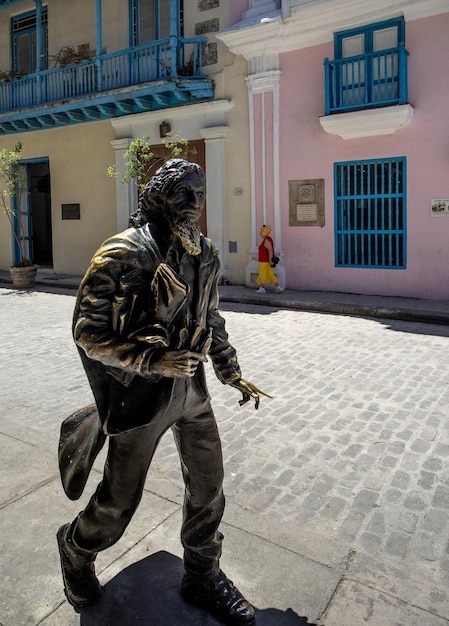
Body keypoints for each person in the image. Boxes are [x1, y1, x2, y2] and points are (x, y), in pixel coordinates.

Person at [56, 159, 270, 626]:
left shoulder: (206, 253)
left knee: (208, 488)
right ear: (156, 197)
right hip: (143, 396)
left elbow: (210, 318)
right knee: (116, 505)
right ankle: (75, 549)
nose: (194, 204)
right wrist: (152, 361)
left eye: (199, 193)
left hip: (192, 393)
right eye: (182, 194)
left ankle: (202, 574)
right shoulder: (121, 253)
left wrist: (230, 371)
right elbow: (88, 333)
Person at [255, 225, 283, 293]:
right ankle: (278, 287)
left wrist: (270, 260)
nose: (260, 234)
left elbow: (270, 250)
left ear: (264, 233)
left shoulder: (266, 241)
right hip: (265, 260)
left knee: (262, 274)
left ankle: (262, 288)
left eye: (261, 233)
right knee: (270, 274)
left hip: (264, 261)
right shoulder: (267, 240)